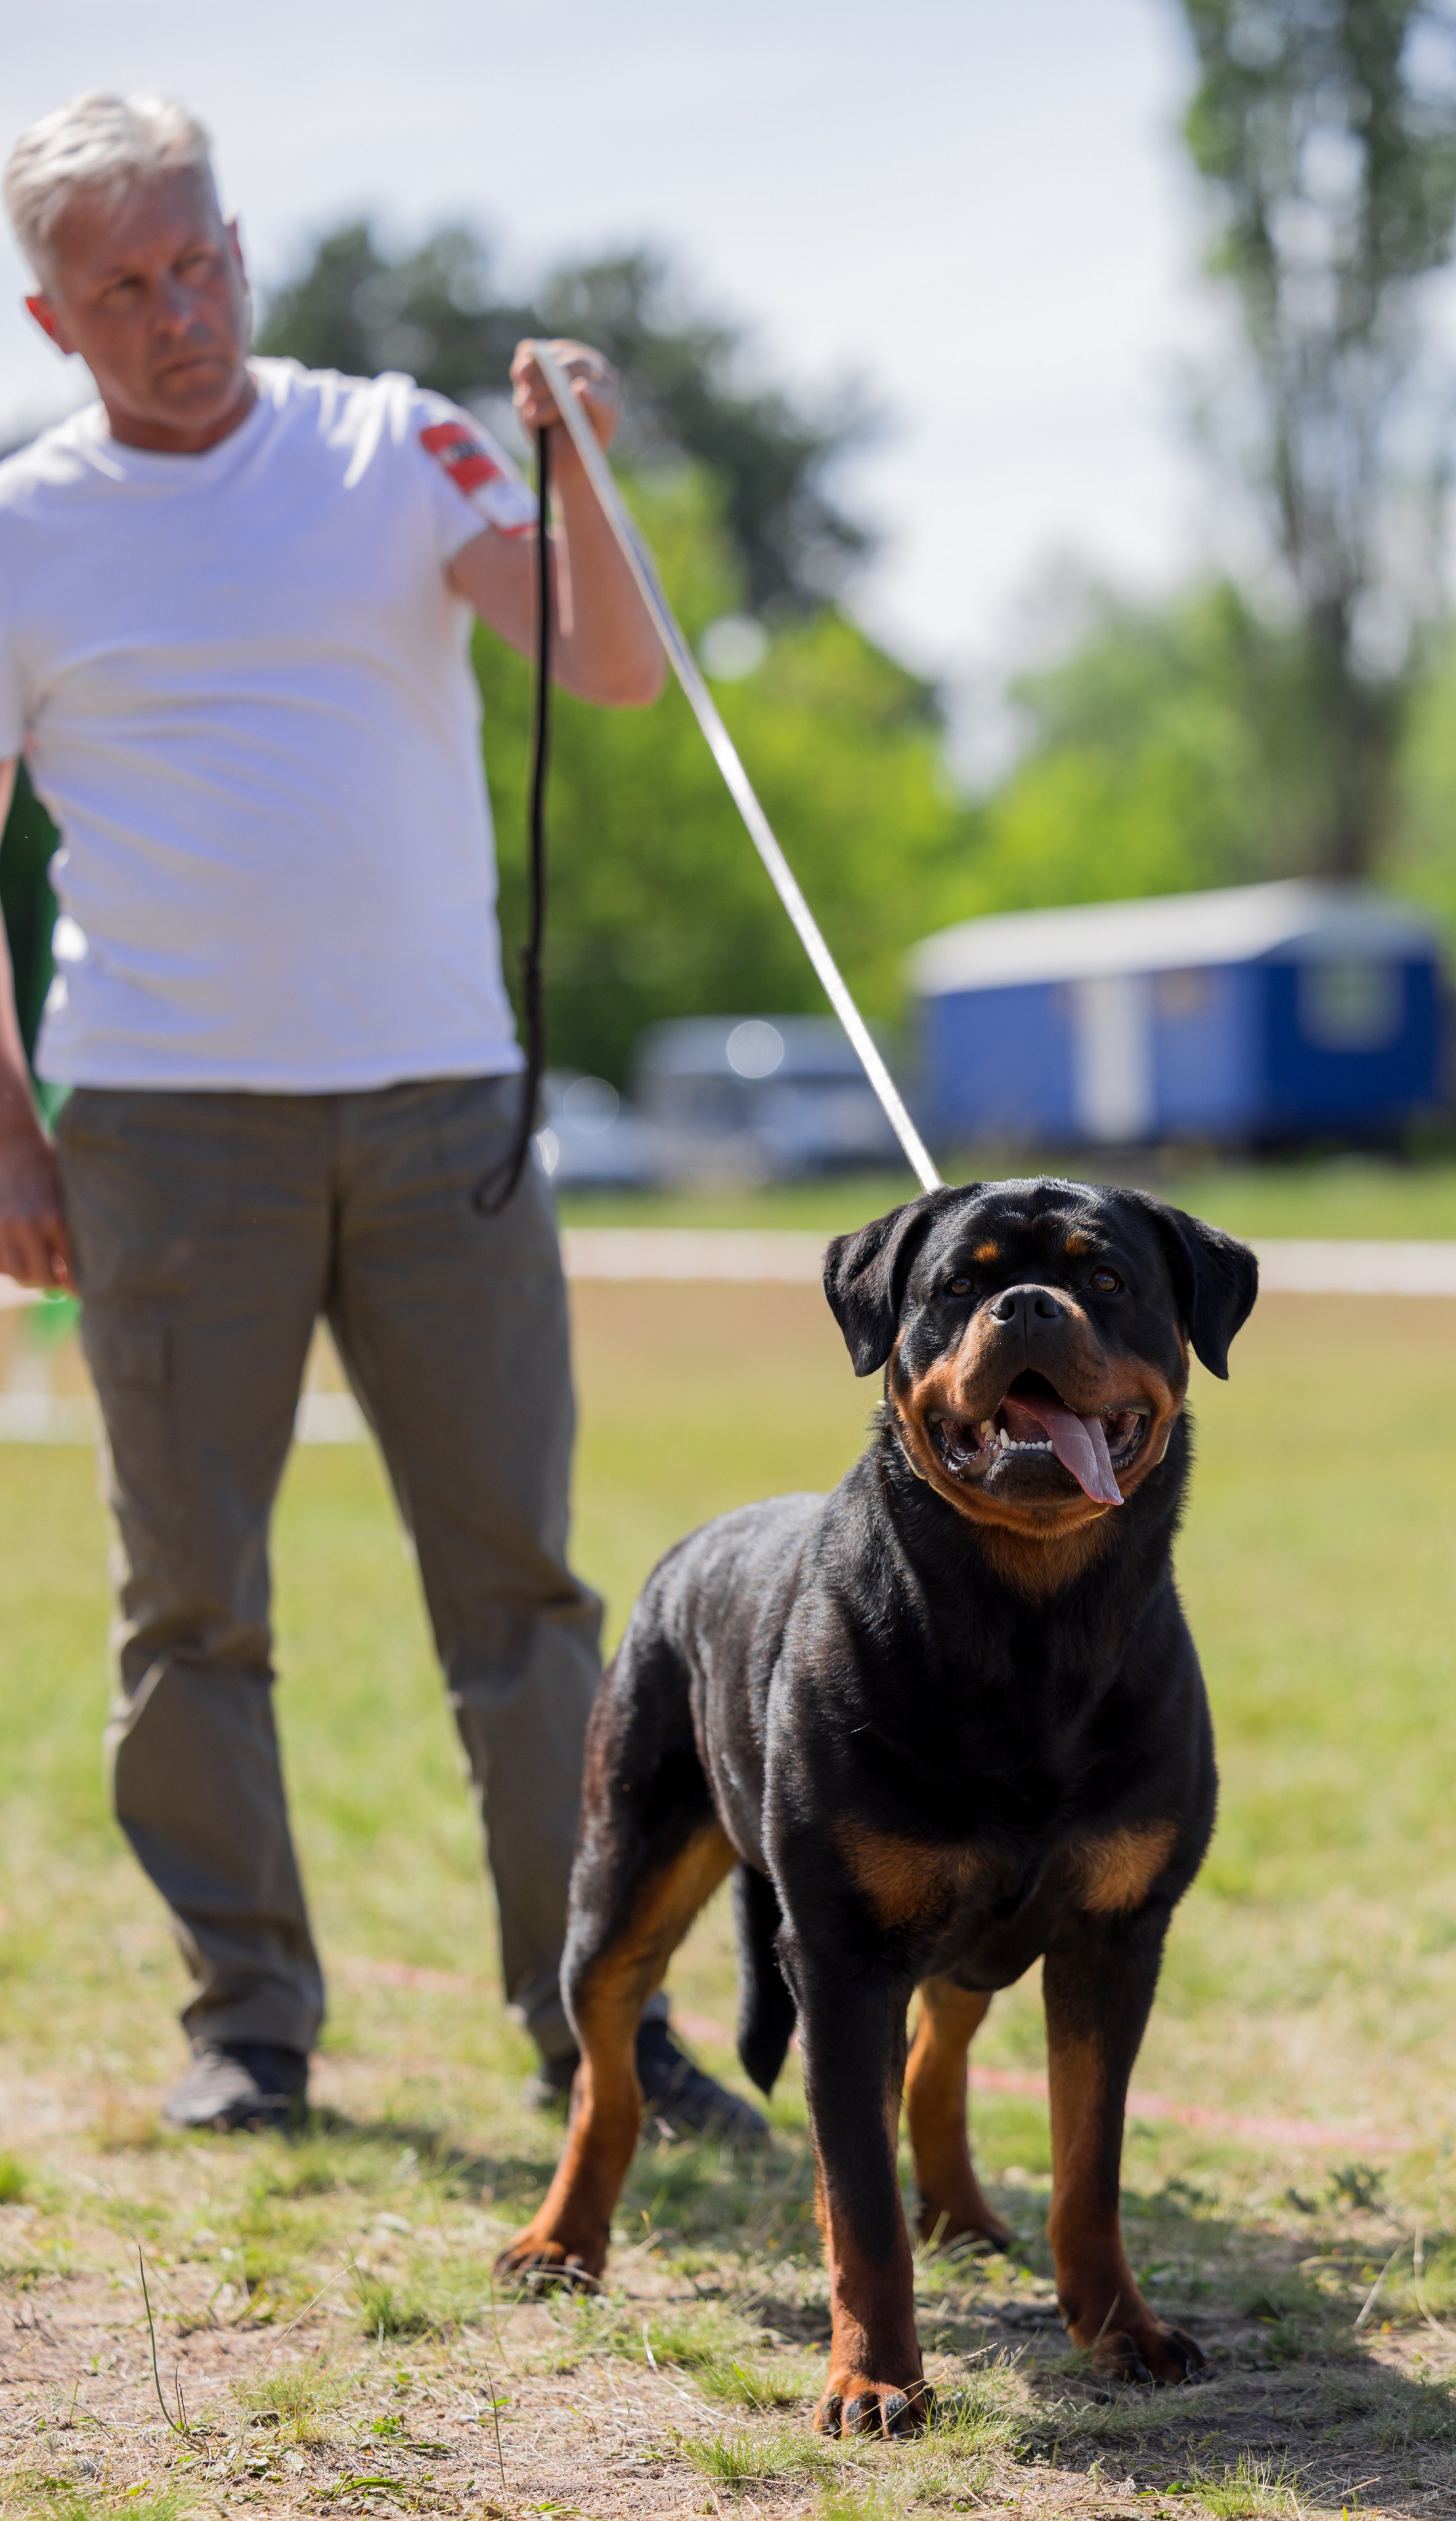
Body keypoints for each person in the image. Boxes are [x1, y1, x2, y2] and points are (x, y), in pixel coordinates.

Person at [0, 91, 764, 2143]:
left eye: (204, 260)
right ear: (52, 318)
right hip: (158, 1128)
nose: (183, 313)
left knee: (521, 1595)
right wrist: (9, 1129)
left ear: (241, 244)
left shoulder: (397, 439)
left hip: (445, 1113)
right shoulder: (17, 531)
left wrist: (583, 462)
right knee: (189, 1607)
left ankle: (596, 2015)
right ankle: (246, 2025)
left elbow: (604, 665)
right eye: (126, 288)